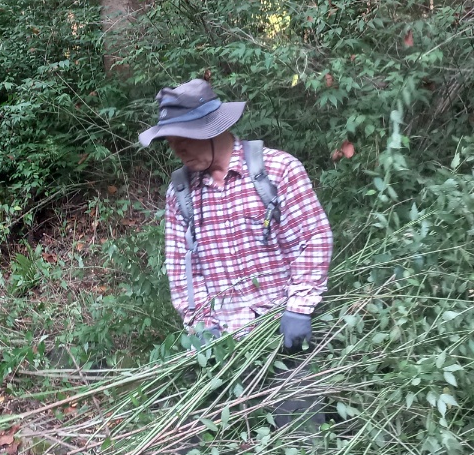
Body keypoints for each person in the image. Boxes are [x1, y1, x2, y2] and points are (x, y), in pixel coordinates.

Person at [139, 79, 332, 349]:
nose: (178, 150)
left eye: (184, 139)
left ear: (212, 130)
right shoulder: (180, 194)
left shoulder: (279, 170)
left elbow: (313, 239)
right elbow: (183, 272)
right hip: (227, 345)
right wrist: (201, 326)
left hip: (286, 328)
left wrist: (299, 308)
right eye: (171, 142)